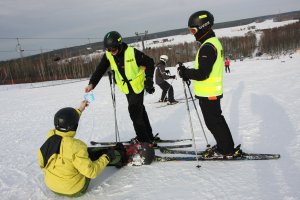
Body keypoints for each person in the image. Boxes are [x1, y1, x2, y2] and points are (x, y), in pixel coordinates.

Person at [177, 10, 241, 157]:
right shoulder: (211, 43)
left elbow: (202, 73)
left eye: (193, 30)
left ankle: (227, 150)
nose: (193, 33)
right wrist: (187, 73)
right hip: (209, 91)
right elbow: (204, 70)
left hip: (209, 92)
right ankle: (225, 146)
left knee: (214, 122)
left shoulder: (208, 47)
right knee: (216, 121)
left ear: (203, 27)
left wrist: (186, 72)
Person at [38, 101, 127, 197]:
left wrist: (80, 109)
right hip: (74, 190)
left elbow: (67, 122)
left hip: (52, 186)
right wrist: (107, 157)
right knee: (89, 157)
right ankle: (119, 156)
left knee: (81, 156)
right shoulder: (77, 147)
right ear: (74, 126)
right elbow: (91, 173)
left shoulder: (50, 137)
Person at [85, 31, 157, 144]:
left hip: (137, 86)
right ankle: (149, 137)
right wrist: (92, 83)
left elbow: (149, 63)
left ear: (119, 45)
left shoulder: (132, 52)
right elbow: (100, 69)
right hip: (127, 88)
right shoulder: (109, 54)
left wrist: (149, 80)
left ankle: (144, 143)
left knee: (134, 112)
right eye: (108, 49)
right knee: (139, 111)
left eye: (113, 49)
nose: (111, 52)